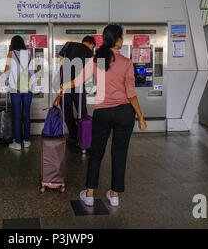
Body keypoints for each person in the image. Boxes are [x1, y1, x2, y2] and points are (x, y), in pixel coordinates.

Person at [59, 24, 147, 207]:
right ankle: (114, 195)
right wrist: (140, 116)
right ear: (117, 40)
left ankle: (89, 194)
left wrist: (64, 86)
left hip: (103, 113)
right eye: (121, 37)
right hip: (124, 113)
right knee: (120, 153)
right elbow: (131, 93)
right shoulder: (126, 62)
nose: (122, 40)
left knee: (96, 152)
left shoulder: (97, 60)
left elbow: (80, 79)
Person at [56, 36, 96, 145]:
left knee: (67, 112)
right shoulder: (90, 53)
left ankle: (73, 137)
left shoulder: (69, 44)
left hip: (64, 85)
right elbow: (87, 75)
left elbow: (59, 58)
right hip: (78, 85)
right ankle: (84, 138)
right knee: (82, 112)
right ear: (91, 45)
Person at [4, 36, 35, 151]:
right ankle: (26, 141)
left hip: (15, 89)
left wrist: (7, 81)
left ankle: (17, 142)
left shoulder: (11, 54)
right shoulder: (28, 54)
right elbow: (32, 72)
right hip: (27, 88)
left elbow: (6, 71)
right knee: (26, 115)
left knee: (17, 116)